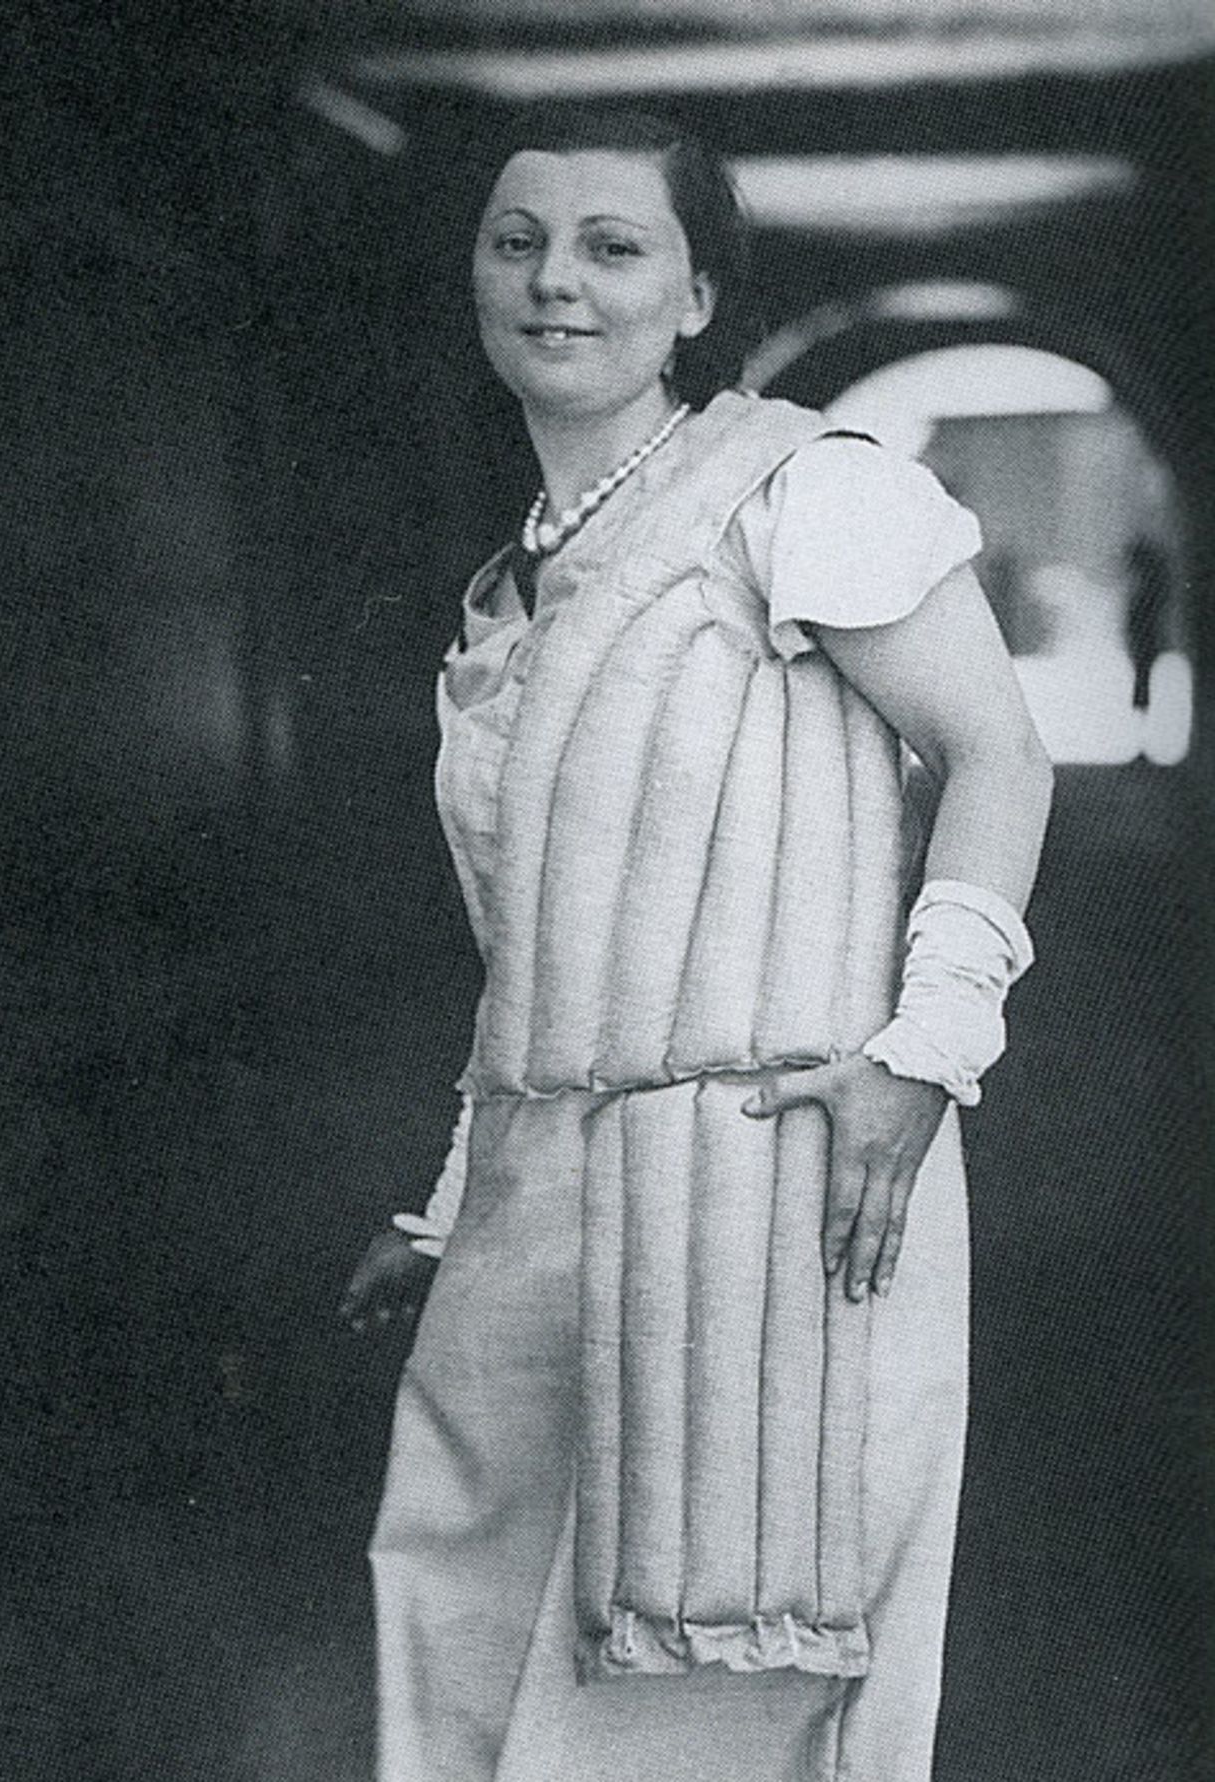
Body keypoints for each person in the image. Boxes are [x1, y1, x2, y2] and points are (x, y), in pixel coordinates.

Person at [341, 108, 1053, 1782]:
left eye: (611, 247)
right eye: (517, 243)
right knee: (456, 1654)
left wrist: (922, 1053)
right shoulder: (513, 589)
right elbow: (543, 941)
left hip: (775, 1185)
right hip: (537, 1199)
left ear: (695, 296)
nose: (555, 283)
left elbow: (1002, 755)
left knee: (706, 1680)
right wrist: (452, 1202)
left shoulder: (801, 492)